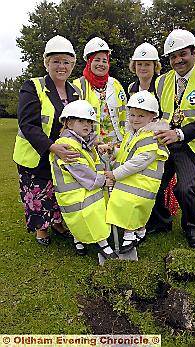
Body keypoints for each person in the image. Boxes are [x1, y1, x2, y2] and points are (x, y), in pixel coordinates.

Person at [150, 29, 195, 248]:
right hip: (167, 141)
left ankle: (192, 228)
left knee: (185, 188)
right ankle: (162, 222)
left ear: (194, 53)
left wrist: (179, 134)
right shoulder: (161, 81)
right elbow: (158, 113)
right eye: (173, 56)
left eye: (183, 54)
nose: (178, 60)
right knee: (154, 181)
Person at [13, 35, 80, 246]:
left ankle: (58, 223)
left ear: (73, 65)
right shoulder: (32, 86)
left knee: (58, 190)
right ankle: (41, 229)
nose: (61, 66)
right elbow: (27, 124)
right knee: (37, 191)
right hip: (35, 153)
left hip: (61, 153)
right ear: (46, 63)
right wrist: (52, 147)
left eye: (66, 62)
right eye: (56, 61)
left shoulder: (75, 92)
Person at [50, 100, 117, 259]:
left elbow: (90, 162)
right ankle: (103, 244)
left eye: (89, 121)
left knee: (82, 218)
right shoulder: (67, 144)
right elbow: (80, 169)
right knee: (92, 213)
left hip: (80, 188)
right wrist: (102, 181)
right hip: (77, 192)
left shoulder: (83, 141)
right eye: (81, 121)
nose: (86, 125)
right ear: (68, 123)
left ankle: (78, 241)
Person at [105, 91, 169, 254]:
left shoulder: (152, 137)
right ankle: (140, 232)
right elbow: (127, 152)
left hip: (142, 184)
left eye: (140, 116)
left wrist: (115, 174)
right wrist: (114, 152)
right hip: (132, 181)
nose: (135, 119)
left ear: (152, 117)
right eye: (132, 115)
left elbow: (138, 162)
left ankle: (129, 237)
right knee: (135, 210)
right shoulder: (133, 133)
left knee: (130, 207)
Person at [128, 42, 179, 226]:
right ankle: (146, 218)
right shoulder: (131, 88)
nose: (143, 68)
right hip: (139, 140)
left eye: (147, 64)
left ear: (155, 66)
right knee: (141, 180)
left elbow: (167, 114)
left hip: (159, 140)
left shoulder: (162, 85)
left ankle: (161, 221)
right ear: (134, 66)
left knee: (157, 182)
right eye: (139, 64)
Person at [72, 36, 127, 149]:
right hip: (90, 145)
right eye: (97, 60)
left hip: (118, 145)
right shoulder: (78, 85)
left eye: (104, 60)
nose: (101, 64)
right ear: (89, 62)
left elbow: (125, 114)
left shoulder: (115, 84)